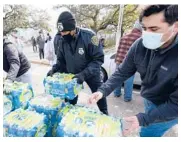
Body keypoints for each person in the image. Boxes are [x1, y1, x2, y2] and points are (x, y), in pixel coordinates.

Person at [88, 5, 178, 137]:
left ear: (175, 27)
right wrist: (102, 91)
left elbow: (176, 105)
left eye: (154, 29)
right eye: (144, 28)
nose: (147, 34)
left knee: (148, 133)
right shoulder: (139, 45)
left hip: (168, 107)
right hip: (149, 98)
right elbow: (122, 72)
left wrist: (143, 119)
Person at [47, 11, 108, 115]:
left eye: (65, 32)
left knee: (98, 95)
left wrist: (84, 74)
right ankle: (71, 116)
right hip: (73, 75)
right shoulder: (62, 40)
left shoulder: (89, 36)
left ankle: (105, 113)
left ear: (72, 29)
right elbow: (61, 60)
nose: (62, 35)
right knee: (70, 101)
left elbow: (98, 59)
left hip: (91, 73)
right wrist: (55, 68)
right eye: (61, 32)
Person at [113, 20, 142, 102]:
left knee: (118, 78)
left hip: (119, 60)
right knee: (128, 80)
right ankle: (127, 97)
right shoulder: (140, 37)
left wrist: (116, 60)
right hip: (129, 62)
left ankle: (116, 93)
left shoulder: (125, 36)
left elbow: (118, 49)